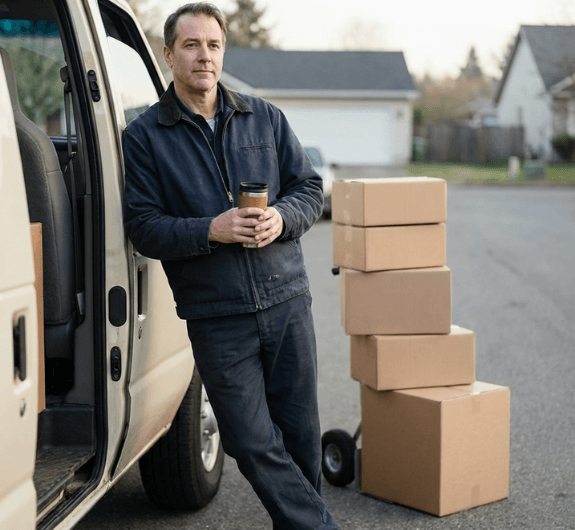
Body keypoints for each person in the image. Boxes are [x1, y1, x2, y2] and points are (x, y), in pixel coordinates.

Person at [122, 3, 340, 529]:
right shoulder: (145, 137)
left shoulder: (264, 117)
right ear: (168, 55)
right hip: (217, 316)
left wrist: (282, 220)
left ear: (223, 52)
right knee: (249, 440)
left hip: (287, 299)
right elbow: (144, 227)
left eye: (213, 45)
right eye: (191, 46)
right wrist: (210, 229)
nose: (204, 56)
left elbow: (309, 187)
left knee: (301, 438)